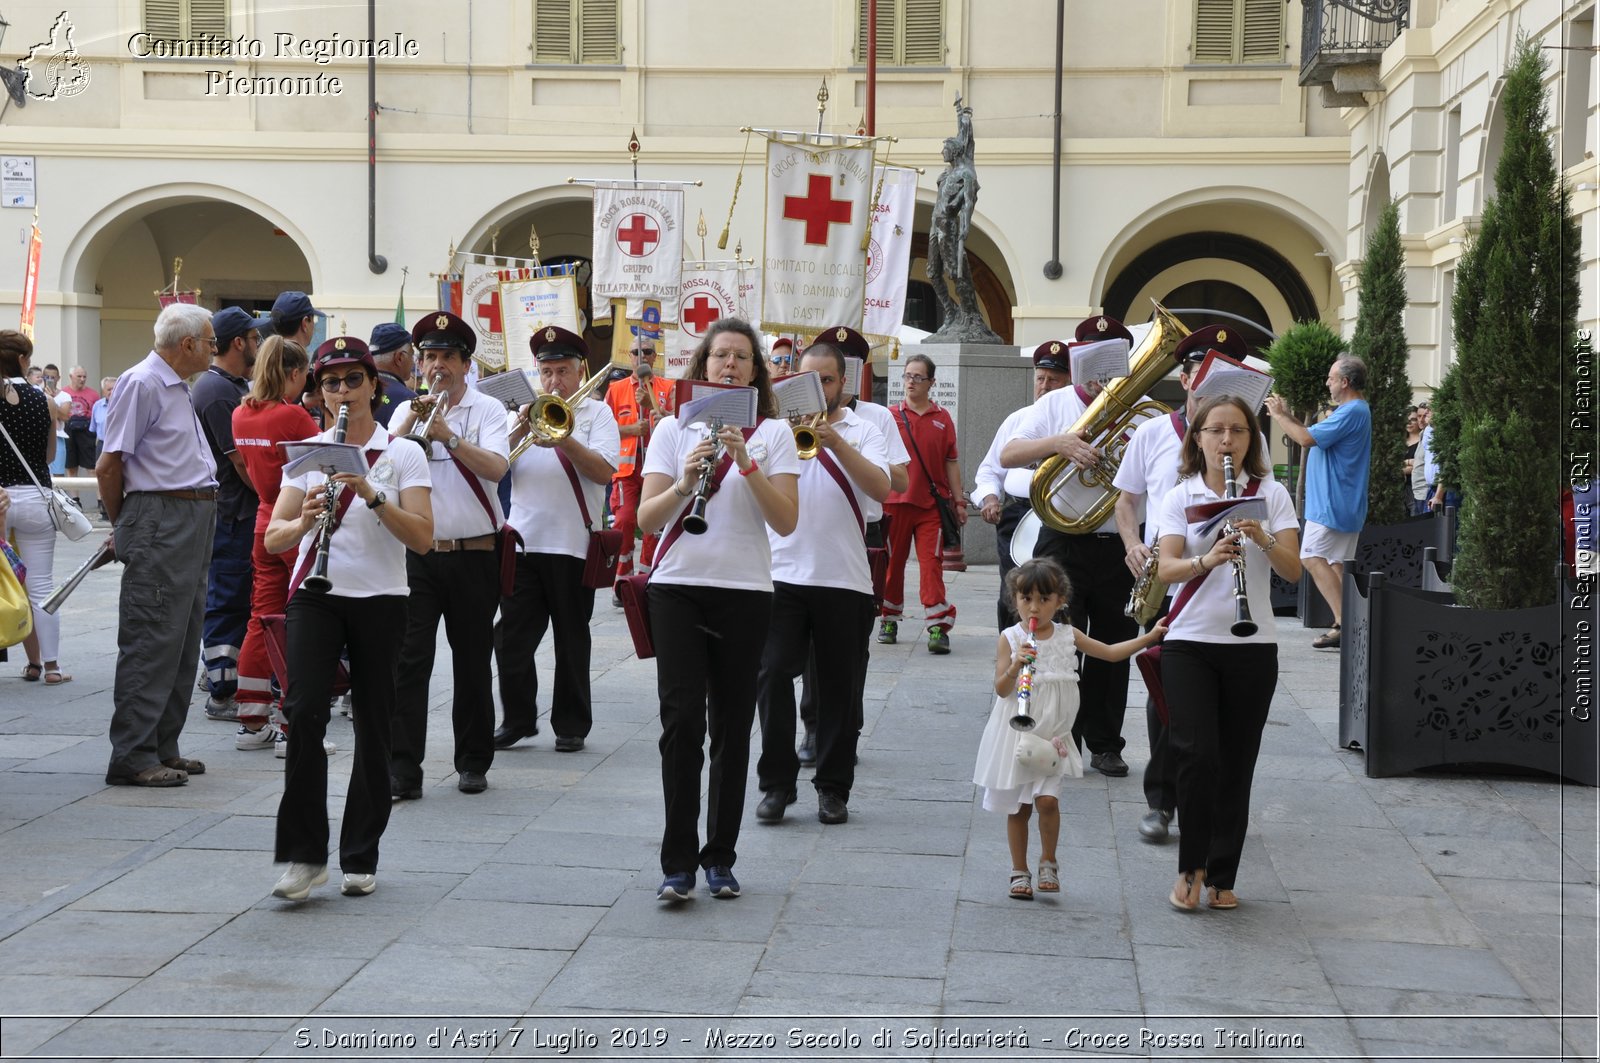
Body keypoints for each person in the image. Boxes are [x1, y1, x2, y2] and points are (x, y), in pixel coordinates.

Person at [636, 317, 800, 902]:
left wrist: (746, 461)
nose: (729, 365)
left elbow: (786, 521)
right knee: (682, 724)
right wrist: (684, 483)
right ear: (702, 366)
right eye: (719, 356)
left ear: (756, 373)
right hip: (677, 587)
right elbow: (644, 521)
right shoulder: (672, 432)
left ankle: (720, 858)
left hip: (746, 592)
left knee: (732, 725)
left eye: (741, 358)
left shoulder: (774, 433)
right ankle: (676, 862)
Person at [265, 337, 434, 901]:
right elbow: (273, 538)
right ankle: (303, 855)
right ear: (319, 392)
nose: (342, 392)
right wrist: (308, 518)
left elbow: (425, 539)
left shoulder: (402, 453)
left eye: (352, 380)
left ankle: (361, 853)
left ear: (373, 385)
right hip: (317, 591)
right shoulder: (307, 453)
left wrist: (372, 494)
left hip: (383, 595)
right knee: (304, 709)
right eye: (331, 383)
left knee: (375, 720)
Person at [1111, 324, 1264, 842]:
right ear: (1185, 376)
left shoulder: (1244, 438)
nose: (1210, 380)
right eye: (1201, 370)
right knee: (1164, 691)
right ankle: (1162, 799)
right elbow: (1126, 499)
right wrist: (1133, 544)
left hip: (1230, 580)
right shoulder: (1153, 432)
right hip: (1170, 575)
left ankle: (1212, 795)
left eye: (1224, 372)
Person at [1155, 395, 1301, 911]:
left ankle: (1222, 876)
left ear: (1251, 439)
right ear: (1197, 438)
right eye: (1216, 430)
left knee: (1238, 762)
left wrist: (1260, 537)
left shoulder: (1273, 495)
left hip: (1253, 644)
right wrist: (1206, 560)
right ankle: (1191, 868)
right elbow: (1165, 568)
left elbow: (1293, 571)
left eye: (1238, 431)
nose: (1227, 441)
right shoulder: (1182, 495)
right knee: (1197, 754)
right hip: (1190, 641)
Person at [999, 315, 1154, 778]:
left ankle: (1105, 743)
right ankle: (1049, 730)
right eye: (1093, 356)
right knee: (1052, 640)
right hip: (1061, 538)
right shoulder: (1056, 403)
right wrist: (1059, 444)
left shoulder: (1143, 409)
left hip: (1117, 541)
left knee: (1113, 639)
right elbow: (1008, 455)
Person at [753, 327, 889, 826]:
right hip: (780, 575)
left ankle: (833, 788)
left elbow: (882, 489)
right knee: (771, 677)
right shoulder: (772, 430)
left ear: (841, 383)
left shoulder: (865, 429)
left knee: (838, 688)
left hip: (845, 579)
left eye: (827, 380)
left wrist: (834, 443)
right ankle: (776, 783)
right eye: (808, 379)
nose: (818, 389)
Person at [975, 558, 1165, 899]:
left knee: (1047, 801)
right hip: (1016, 733)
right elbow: (1001, 689)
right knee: (1019, 807)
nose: (1034, 607)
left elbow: (1108, 653)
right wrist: (1017, 664)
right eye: (1026, 599)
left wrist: (1148, 638)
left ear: (1060, 601)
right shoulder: (1011, 638)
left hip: (1053, 735)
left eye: (1044, 599)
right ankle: (1019, 870)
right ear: (1014, 600)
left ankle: (1049, 859)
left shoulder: (1067, 635)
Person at [96, 303, 221, 787]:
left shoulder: (174, 385)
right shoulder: (143, 382)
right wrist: (126, 524)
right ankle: (132, 753)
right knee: (152, 636)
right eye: (210, 341)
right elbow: (110, 465)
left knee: (183, 636)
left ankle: (161, 744)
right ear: (187, 344)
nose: (213, 348)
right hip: (162, 515)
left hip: (188, 514)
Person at [388, 311, 510, 798]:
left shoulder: (488, 411)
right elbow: (383, 471)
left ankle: (473, 761)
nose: (437, 366)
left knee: (473, 659)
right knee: (409, 660)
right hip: (418, 553)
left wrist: (449, 438)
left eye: (446, 358)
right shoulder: (406, 412)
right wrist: (409, 432)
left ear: (465, 364)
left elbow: (498, 469)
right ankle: (403, 768)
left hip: (474, 553)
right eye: (429, 357)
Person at [493, 326, 620, 753]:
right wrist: (521, 424)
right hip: (524, 542)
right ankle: (518, 719)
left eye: (562, 371)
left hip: (572, 546)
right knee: (510, 638)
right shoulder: (524, 413)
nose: (553, 382)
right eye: (546, 372)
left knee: (571, 639)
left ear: (580, 370)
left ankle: (571, 725)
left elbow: (604, 472)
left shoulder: (597, 414)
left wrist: (563, 437)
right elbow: (496, 465)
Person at [232, 336, 320, 749]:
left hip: (264, 521)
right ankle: (291, 725)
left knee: (261, 618)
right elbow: (326, 460)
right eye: (304, 376)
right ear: (294, 373)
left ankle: (251, 720)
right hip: (295, 526)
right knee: (303, 623)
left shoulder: (241, 415)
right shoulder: (293, 417)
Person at [1264, 356, 1371, 649]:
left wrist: (1278, 414)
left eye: (1331, 378)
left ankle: (1344, 624)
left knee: (1310, 557)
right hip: (1340, 504)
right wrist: (1288, 414)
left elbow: (1305, 439)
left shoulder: (1352, 411)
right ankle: (1349, 624)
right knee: (1335, 564)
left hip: (1333, 505)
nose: (1327, 383)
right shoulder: (1355, 410)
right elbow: (1311, 434)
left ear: (1345, 382)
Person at [193, 306, 262, 721]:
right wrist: (273, 493)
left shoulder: (229, 385)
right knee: (228, 601)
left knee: (236, 598)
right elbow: (239, 460)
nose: (257, 344)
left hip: (237, 512)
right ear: (239, 342)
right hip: (234, 513)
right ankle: (222, 689)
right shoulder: (217, 391)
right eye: (254, 338)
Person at [972, 341, 1071, 630]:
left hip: (1058, 516)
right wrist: (990, 498)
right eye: (1040, 378)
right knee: (1013, 592)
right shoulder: (1017, 419)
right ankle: (1011, 657)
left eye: (1054, 379)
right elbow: (989, 469)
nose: (1045, 385)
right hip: (1017, 516)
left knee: (1055, 593)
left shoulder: (1074, 419)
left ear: (1068, 382)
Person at [880, 353, 965, 654]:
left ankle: (938, 625)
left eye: (918, 377)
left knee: (932, 565)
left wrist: (959, 501)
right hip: (894, 502)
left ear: (931, 382)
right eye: (907, 376)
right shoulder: (889, 416)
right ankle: (888, 618)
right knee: (892, 565)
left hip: (931, 506)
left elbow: (951, 463)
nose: (911, 382)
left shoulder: (943, 418)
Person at [0, 330, 69, 684]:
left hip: (0, 499)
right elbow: (49, 456)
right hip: (35, 496)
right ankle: (52, 667)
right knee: (42, 587)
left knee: (6, 584)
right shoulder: (44, 399)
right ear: (24, 361)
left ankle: (30, 662)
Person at [604, 341, 675, 591]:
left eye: (647, 352)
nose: (641, 356)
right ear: (629, 356)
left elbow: (679, 425)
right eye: (636, 352)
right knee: (623, 521)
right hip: (627, 471)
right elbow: (604, 429)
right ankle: (622, 579)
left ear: (655, 357)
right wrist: (631, 430)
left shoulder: (670, 387)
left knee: (653, 526)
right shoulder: (615, 389)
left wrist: (653, 408)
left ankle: (646, 579)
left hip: (659, 468)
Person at [369, 322, 417, 427]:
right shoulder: (410, 401)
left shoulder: (357, 392)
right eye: (412, 355)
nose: (413, 362)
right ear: (400, 358)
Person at [60, 366, 99, 482]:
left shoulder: (94, 394)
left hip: (86, 431)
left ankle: (99, 500)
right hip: (68, 430)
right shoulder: (63, 393)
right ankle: (75, 499)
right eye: (79, 376)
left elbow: (96, 414)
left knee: (92, 468)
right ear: (71, 377)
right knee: (71, 468)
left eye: (84, 377)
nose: (82, 379)